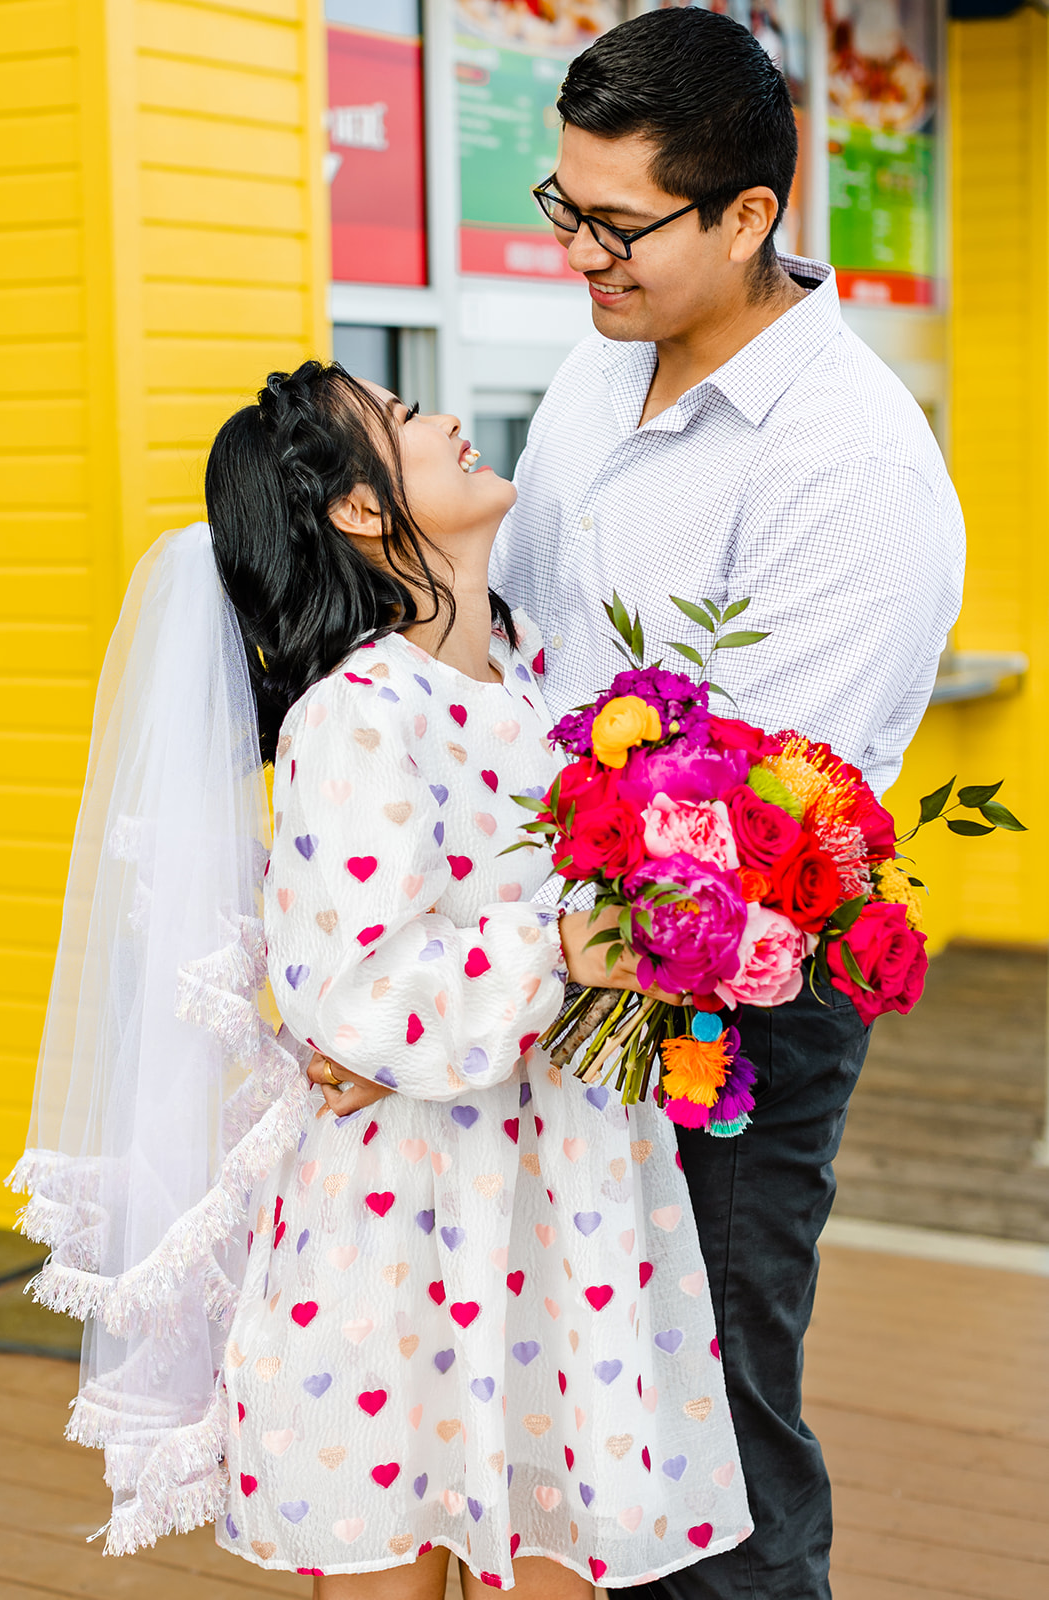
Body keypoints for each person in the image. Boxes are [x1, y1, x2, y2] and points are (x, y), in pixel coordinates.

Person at [10, 360, 753, 1598]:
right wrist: (571, 948)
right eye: (406, 421)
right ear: (360, 510)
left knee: (566, 1545)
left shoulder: (536, 688)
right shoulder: (357, 714)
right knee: (389, 1562)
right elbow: (351, 991)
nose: (449, 420)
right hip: (412, 1211)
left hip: (564, 1193)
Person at [491, 9, 965, 1599]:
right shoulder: (593, 359)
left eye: (616, 224)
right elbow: (518, 636)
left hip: (730, 990)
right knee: (588, 1404)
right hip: (554, 946)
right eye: (563, 208)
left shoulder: (846, 468)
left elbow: (755, 842)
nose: (578, 255)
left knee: (707, 1420)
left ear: (749, 214)